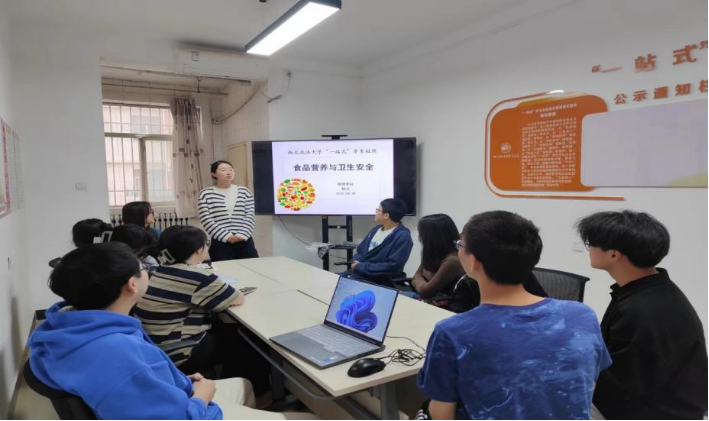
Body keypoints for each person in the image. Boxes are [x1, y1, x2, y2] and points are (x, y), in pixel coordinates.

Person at [28, 243, 290, 420]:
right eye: (143, 268)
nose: (148, 271)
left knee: (244, 385)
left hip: (166, 395)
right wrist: (201, 397)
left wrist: (173, 379)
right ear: (131, 285)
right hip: (188, 411)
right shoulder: (117, 352)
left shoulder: (62, 326)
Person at [418, 211, 611, 420]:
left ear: (473, 262)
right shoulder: (582, 315)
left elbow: (442, 414)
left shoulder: (453, 332)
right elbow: (588, 383)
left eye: (460, 245)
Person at [577, 211, 708, 420]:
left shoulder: (638, 310)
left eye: (590, 244)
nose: (589, 249)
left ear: (613, 255)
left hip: (653, 410)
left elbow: (618, 388)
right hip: (671, 402)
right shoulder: (657, 289)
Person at [133, 226, 272, 407]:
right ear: (199, 249)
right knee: (250, 339)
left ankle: (233, 383)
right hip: (179, 350)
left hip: (154, 344)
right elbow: (237, 298)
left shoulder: (160, 270)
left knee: (230, 329)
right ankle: (258, 394)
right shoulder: (198, 276)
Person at [198, 160, 258, 262]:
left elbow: (250, 215)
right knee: (224, 270)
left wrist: (241, 234)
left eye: (231, 169)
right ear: (213, 174)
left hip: (244, 240)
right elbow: (206, 219)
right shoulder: (206, 194)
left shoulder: (244, 192)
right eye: (223, 170)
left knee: (251, 268)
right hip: (220, 241)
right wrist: (226, 236)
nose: (229, 172)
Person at [342, 198, 414, 281]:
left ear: (386, 215)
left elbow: (393, 266)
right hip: (360, 274)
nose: (375, 212)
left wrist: (361, 266)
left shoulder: (403, 236)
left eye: (378, 210)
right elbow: (361, 251)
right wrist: (355, 261)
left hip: (379, 279)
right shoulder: (376, 229)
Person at [408, 214, 465, 306]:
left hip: (440, 305)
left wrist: (419, 282)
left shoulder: (452, 261)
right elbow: (415, 278)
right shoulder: (433, 253)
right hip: (426, 300)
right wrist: (420, 283)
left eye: (421, 233)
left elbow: (425, 291)